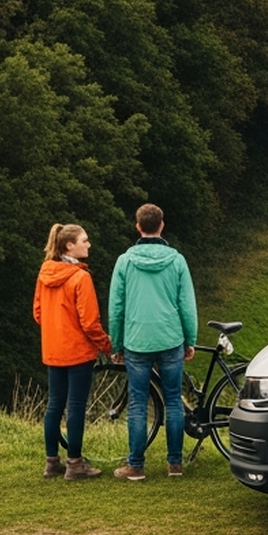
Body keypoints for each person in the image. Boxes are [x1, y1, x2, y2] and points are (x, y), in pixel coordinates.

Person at [107, 203, 198, 481]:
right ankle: (175, 463)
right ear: (162, 225)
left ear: (137, 226)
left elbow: (116, 306)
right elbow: (187, 304)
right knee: (173, 400)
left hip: (136, 339)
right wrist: (189, 338)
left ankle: (136, 465)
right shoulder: (177, 260)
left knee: (136, 402)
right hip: (170, 337)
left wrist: (116, 343)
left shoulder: (124, 261)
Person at [32, 223, 112, 480]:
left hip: (53, 350)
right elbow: (90, 322)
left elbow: (38, 313)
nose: (88, 244)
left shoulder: (45, 273)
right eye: (84, 240)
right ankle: (75, 463)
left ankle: (51, 461)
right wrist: (107, 345)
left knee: (54, 405)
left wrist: (56, 328)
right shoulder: (80, 277)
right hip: (77, 351)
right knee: (76, 406)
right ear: (69, 245)